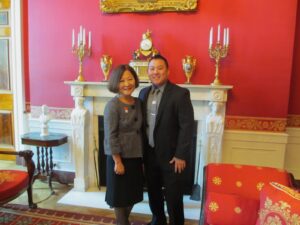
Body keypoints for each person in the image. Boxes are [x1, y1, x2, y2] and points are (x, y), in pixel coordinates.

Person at [138, 54, 194, 225]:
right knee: (153, 193)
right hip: (150, 154)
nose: (155, 72)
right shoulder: (143, 93)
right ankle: (158, 220)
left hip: (172, 157)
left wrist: (181, 155)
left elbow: (187, 126)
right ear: (147, 72)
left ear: (168, 71)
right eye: (152, 69)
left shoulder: (180, 94)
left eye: (159, 68)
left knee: (173, 196)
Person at [103, 64, 144, 225]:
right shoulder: (112, 106)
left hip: (136, 156)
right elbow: (110, 135)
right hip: (119, 158)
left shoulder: (139, 102)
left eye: (130, 79)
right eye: (122, 80)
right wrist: (117, 161)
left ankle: (123, 222)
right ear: (115, 83)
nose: (127, 83)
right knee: (120, 199)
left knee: (133, 195)